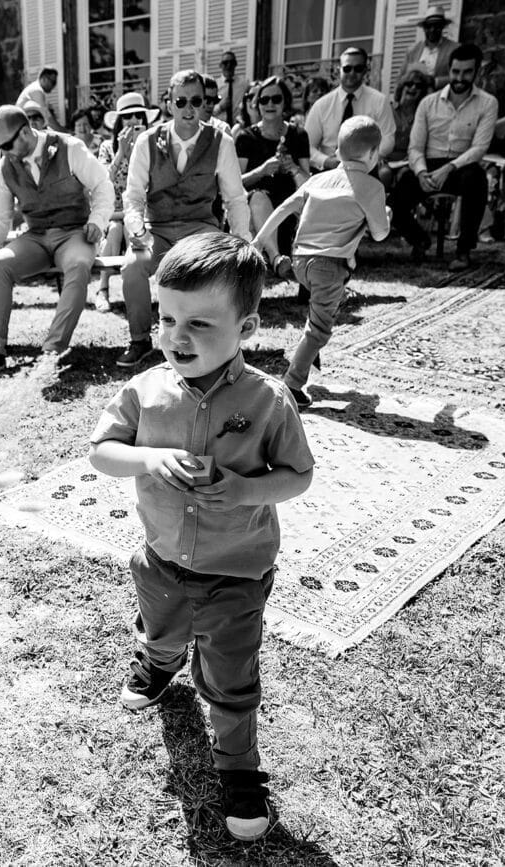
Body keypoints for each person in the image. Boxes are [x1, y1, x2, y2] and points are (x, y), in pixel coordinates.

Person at [88, 232, 314, 844]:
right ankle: (159, 665)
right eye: (165, 318)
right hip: (161, 558)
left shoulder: (269, 400)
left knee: (232, 678)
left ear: (246, 327)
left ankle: (239, 770)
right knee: (160, 629)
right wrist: (148, 458)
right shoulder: (144, 390)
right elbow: (102, 453)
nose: (176, 336)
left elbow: (299, 475)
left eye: (199, 323)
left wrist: (244, 489)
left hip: (237, 571)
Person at [0, 105, 113, 379]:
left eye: (8, 145)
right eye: (0, 147)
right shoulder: (4, 168)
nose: (5, 152)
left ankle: (52, 352)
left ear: (24, 132)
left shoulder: (70, 147)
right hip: (36, 237)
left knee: (79, 265)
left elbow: (103, 185)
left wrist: (97, 221)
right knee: (0, 265)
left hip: (74, 234)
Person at [117, 69, 252, 369]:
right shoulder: (147, 141)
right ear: (169, 104)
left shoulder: (221, 141)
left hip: (200, 227)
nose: (189, 108)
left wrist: (243, 240)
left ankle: (209, 340)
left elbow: (235, 198)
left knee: (211, 272)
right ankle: (140, 340)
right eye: (182, 101)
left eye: (197, 101)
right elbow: (134, 195)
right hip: (156, 228)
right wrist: (136, 226)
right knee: (133, 265)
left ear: (205, 102)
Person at [253, 116, 391, 409]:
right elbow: (380, 234)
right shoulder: (371, 186)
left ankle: (308, 347)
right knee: (319, 329)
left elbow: (282, 208)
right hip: (329, 265)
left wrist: (259, 242)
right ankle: (292, 383)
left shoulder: (317, 179)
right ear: (371, 154)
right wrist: (385, 216)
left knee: (320, 307)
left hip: (301, 261)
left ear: (339, 152)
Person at [389, 43, 498, 271]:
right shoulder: (428, 103)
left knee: (476, 180)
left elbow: (479, 148)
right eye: (456, 72)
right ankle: (419, 238)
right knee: (396, 196)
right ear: (449, 71)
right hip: (428, 165)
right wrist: (420, 172)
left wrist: (449, 168)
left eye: (467, 72)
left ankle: (463, 249)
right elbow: (415, 147)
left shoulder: (488, 103)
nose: (460, 78)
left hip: (461, 165)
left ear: (476, 72)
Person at [95, 93, 156, 312]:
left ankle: (134, 291)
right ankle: (102, 289)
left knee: (133, 230)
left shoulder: (152, 146)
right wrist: (121, 152)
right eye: (127, 116)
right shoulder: (106, 148)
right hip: (114, 214)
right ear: (118, 122)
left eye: (138, 116)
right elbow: (102, 182)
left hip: (142, 213)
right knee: (114, 230)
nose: (133, 121)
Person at [236, 76, 311, 252]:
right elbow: (236, 182)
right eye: (264, 99)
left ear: (285, 102)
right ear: (257, 103)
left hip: (290, 207)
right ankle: (275, 258)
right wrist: (260, 172)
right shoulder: (246, 137)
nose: (270, 104)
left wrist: (294, 168)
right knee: (258, 196)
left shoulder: (299, 135)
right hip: (257, 209)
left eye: (276, 99)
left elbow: (309, 184)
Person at [305, 48, 396, 171]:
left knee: (385, 173)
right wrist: (326, 161)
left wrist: (368, 160)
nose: (352, 73)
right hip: (330, 167)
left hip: (367, 166)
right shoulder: (322, 105)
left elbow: (388, 139)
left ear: (365, 71)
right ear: (339, 70)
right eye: (347, 68)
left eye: (358, 69)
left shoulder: (379, 101)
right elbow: (307, 146)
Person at [404, 7, 459, 88]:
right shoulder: (413, 50)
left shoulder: (455, 49)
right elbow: (401, 77)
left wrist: (435, 82)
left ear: (442, 27)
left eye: (436, 26)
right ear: (424, 28)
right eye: (429, 26)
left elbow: (458, 77)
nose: (432, 30)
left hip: (441, 97)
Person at [18, 66, 64, 132]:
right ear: (44, 79)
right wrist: (65, 132)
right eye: (53, 82)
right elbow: (49, 119)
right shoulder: (36, 90)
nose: (54, 85)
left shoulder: (35, 89)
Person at [215, 50, 241, 127]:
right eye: (225, 63)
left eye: (231, 63)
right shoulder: (215, 85)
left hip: (237, 128)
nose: (229, 66)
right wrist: (220, 107)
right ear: (220, 65)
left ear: (236, 64)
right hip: (219, 128)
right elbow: (205, 110)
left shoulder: (244, 84)